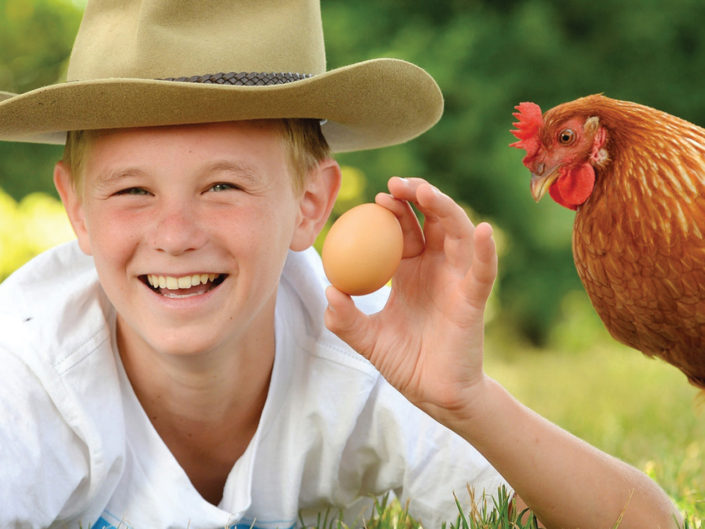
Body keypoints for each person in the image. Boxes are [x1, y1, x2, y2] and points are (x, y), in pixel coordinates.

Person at [0, 1, 681, 528]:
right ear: (77, 208)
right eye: (132, 191)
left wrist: (466, 402)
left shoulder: (359, 355)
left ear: (310, 203)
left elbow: (644, 521)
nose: (174, 234)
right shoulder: (29, 369)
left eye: (223, 187)